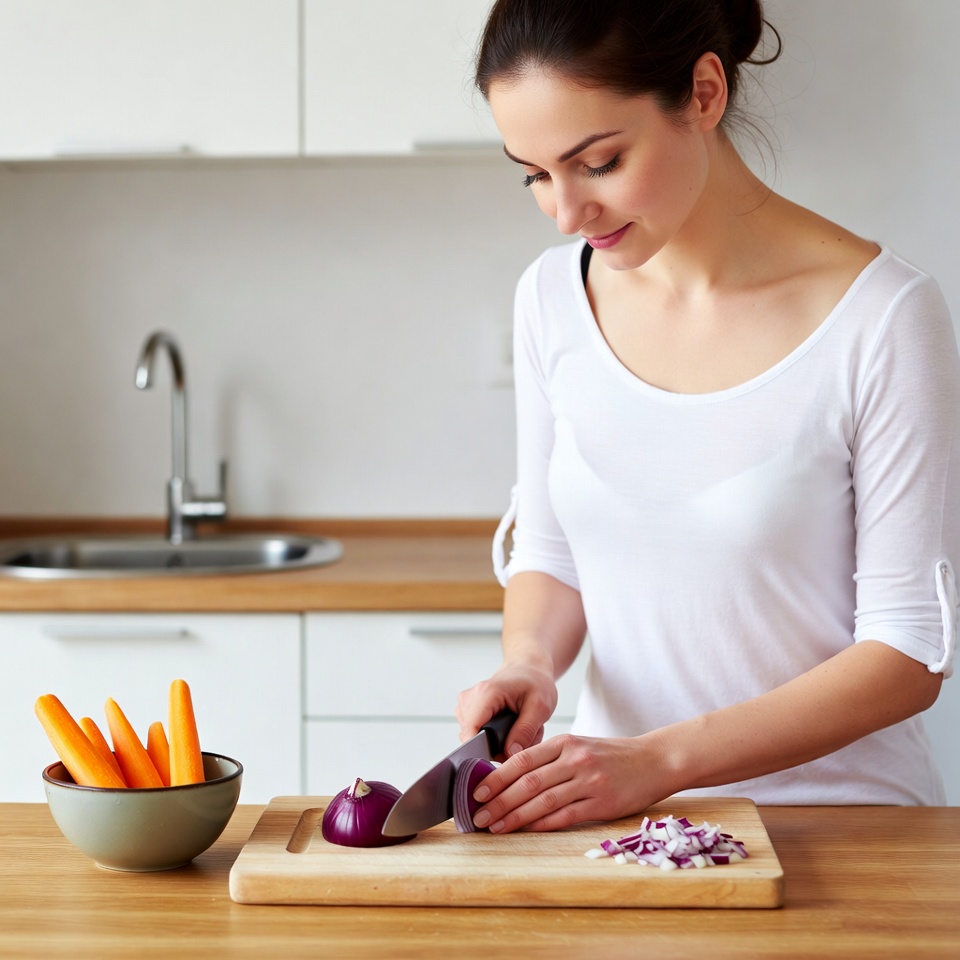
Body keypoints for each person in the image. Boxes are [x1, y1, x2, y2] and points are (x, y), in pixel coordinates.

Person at [455, 0, 960, 834]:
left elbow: (907, 656)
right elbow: (552, 555)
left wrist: (659, 762)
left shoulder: (883, 317)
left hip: (844, 834)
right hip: (620, 831)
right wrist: (531, 663)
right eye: (536, 174)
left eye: (601, 162)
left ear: (703, 92)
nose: (566, 211)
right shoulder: (552, 297)